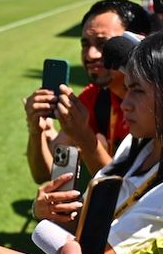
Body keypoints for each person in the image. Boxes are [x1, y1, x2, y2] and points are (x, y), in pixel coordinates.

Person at [31, 31, 163, 253]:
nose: (125, 104)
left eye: (138, 90)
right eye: (127, 88)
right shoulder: (136, 143)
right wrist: (49, 211)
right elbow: (90, 222)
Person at [25, 0, 151, 183]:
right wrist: (35, 130)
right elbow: (44, 173)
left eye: (103, 43)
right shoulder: (92, 98)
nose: (90, 55)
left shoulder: (154, 108)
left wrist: (84, 137)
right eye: (85, 44)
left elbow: (131, 196)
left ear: (136, 42)